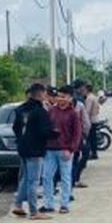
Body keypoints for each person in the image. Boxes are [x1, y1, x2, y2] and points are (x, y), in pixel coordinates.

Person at [11, 83, 53, 220]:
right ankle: (34, 211)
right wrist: (55, 134)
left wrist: (22, 140)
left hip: (22, 148)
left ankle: (18, 205)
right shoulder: (40, 111)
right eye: (45, 93)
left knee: (25, 179)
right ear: (41, 94)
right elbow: (45, 131)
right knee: (33, 181)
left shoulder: (20, 110)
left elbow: (15, 128)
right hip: (35, 150)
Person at [41, 85, 83, 214]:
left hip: (65, 151)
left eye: (63, 97)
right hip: (50, 150)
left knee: (65, 178)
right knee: (47, 177)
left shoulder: (73, 114)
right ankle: (48, 204)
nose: (60, 99)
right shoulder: (52, 111)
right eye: (59, 96)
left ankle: (64, 204)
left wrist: (70, 149)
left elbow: (77, 134)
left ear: (70, 98)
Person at [72, 80, 92, 188]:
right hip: (78, 134)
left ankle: (73, 179)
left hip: (69, 135)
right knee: (82, 154)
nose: (85, 90)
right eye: (84, 88)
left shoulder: (75, 98)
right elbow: (85, 122)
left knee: (73, 157)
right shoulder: (79, 101)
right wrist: (84, 134)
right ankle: (74, 179)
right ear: (80, 88)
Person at [81, 81, 102, 161]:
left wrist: (84, 120)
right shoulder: (94, 97)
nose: (83, 92)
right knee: (93, 137)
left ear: (87, 90)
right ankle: (94, 152)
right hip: (95, 118)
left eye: (84, 90)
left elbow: (87, 111)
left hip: (91, 120)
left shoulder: (89, 98)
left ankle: (92, 153)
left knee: (90, 138)